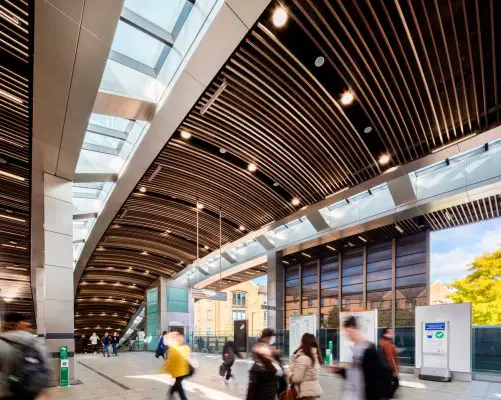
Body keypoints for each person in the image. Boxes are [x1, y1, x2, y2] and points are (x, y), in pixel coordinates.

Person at [333, 316, 391, 400]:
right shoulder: (356, 348)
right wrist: (339, 371)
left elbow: (376, 381)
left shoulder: (370, 351)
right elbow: (354, 373)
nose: (346, 334)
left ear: (353, 328)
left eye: (347, 330)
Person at [0, 312, 50, 400]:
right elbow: (45, 363)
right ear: (20, 324)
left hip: (7, 390)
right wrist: (44, 386)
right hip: (30, 389)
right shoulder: (34, 341)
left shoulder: (2, 342)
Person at [286, 333, 323, 400]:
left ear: (303, 342)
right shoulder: (315, 356)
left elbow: (297, 379)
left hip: (304, 394)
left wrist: (288, 371)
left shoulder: (303, 358)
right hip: (313, 391)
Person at [164, 332, 191, 400]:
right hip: (178, 371)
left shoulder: (185, 347)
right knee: (178, 384)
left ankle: (171, 392)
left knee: (178, 384)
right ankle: (173, 393)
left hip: (183, 370)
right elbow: (170, 360)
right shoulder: (174, 348)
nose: (181, 339)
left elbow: (188, 357)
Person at [259, 328, 287, 395]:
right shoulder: (262, 346)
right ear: (267, 337)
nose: (271, 339)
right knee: (281, 388)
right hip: (271, 376)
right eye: (271, 337)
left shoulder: (263, 345)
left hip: (272, 376)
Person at [379, 328, 399, 398]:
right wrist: (395, 370)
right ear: (385, 334)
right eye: (390, 332)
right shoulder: (387, 344)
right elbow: (390, 358)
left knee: (387, 385)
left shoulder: (383, 342)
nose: (393, 334)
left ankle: (386, 395)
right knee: (395, 384)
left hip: (384, 369)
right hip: (388, 369)